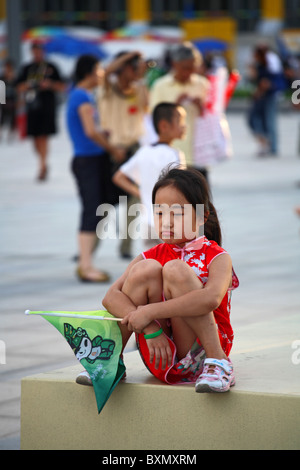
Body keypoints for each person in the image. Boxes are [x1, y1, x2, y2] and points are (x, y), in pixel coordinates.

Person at [77, 168, 239, 392]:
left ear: (202, 216)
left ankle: (220, 364)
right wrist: (151, 328)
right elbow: (111, 297)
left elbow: (210, 299)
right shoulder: (150, 255)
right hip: (159, 353)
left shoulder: (217, 257)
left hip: (202, 359)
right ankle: (111, 362)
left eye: (178, 213)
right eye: (160, 213)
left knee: (175, 270)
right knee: (145, 269)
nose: (167, 222)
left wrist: (151, 311)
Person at [66, 54, 125, 283]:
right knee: (92, 212)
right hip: (88, 162)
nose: (102, 74)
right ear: (90, 72)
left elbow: (92, 131)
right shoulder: (81, 96)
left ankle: (86, 262)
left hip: (93, 160)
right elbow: (90, 132)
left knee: (100, 208)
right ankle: (85, 265)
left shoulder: (80, 93)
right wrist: (112, 148)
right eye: (99, 70)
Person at [112, 102, 187, 249]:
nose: (184, 126)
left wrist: (139, 192)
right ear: (164, 126)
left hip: (148, 223)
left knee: (153, 264)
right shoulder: (174, 154)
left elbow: (118, 177)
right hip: (171, 224)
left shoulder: (144, 152)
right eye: (180, 121)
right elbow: (182, 188)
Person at [98, 51, 149, 259]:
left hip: (134, 149)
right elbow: (106, 72)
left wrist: (140, 76)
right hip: (111, 149)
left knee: (135, 198)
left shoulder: (138, 89)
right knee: (103, 202)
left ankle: (126, 246)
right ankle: (87, 249)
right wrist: (129, 56)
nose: (135, 70)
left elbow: (147, 107)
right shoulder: (107, 89)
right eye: (131, 66)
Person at [150, 42, 210, 179]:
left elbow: (210, 117)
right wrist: (175, 105)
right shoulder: (161, 86)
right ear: (174, 64)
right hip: (172, 153)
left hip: (198, 150)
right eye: (185, 68)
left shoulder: (202, 84)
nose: (188, 72)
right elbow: (154, 118)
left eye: (192, 68)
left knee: (200, 198)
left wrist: (200, 106)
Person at [17, 42, 65, 181]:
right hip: (32, 107)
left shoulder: (51, 67)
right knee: (35, 138)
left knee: (44, 136)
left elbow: (62, 86)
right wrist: (28, 85)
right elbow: (18, 86)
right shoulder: (27, 68)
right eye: (35, 51)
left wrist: (49, 85)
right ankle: (42, 161)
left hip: (47, 106)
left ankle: (42, 165)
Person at [247, 44, 286, 157]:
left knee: (269, 120)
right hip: (264, 95)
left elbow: (268, 82)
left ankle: (272, 147)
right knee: (257, 119)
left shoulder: (270, 61)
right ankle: (266, 143)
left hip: (270, 95)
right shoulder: (259, 63)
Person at [0, 59, 17, 142]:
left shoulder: (15, 79)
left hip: (13, 102)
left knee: (13, 118)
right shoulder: (2, 79)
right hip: (3, 102)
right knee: (2, 117)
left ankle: (12, 132)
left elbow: (18, 90)